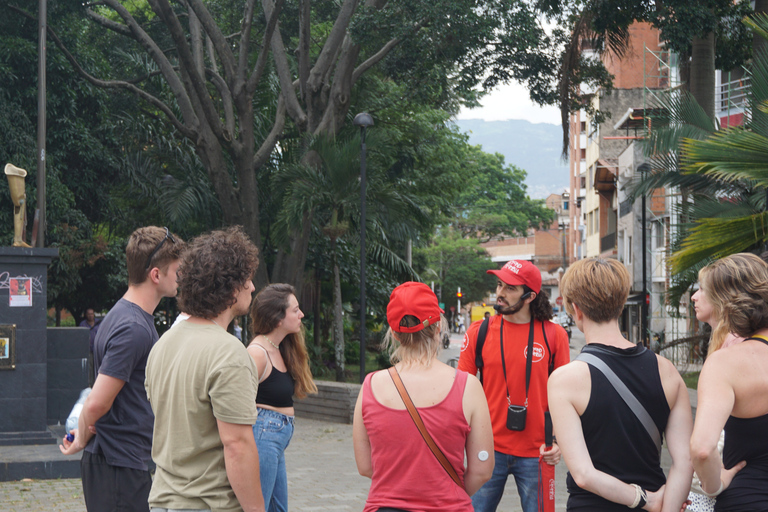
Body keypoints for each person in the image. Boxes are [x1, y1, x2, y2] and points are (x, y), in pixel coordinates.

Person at [548, 257, 693, 511]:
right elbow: (685, 461)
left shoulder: (565, 379)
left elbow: (583, 474)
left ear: (576, 309)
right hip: (660, 498)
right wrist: (665, 506)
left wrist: (644, 500)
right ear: (621, 303)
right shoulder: (667, 371)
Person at [60, 226, 184, 512]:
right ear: (156, 274)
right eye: (176, 270)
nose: (180, 277)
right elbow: (98, 401)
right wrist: (80, 437)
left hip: (120, 462)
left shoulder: (124, 316)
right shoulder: (133, 328)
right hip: (118, 464)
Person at [145, 226, 265, 512]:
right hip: (208, 504)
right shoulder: (229, 353)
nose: (252, 287)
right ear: (231, 287)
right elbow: (238, 446)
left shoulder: (164, 344)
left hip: (163, 500)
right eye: (247, 279)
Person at [353, 282, 494, 512]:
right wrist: (448, 492)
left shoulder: (371, 385)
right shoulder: (467, 386)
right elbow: (482, 469)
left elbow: (365, 466)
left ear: (395, 335)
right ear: (438, 327)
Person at [458, 259, 569, 512]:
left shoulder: (555, 336)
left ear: (529, 296)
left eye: (510, 288)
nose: (500, 293)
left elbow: (565, 399)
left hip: (538, 452)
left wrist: (559, 443)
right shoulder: (479, 332)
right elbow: (460, 391)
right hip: (486, 449)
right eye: (499, 285)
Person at [690, 253, 768, 511]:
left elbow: (703, 449)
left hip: (747, 499)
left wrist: (714, 486)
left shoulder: (726, 363)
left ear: (725, 303)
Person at [247, 283, 318, 512]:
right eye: (295, 310)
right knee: (260, 506)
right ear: (278, 318)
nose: (301, 315)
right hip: (263, 436)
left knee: (278, 508)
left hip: (276, 438)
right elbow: (240, 403)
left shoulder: (279, 347)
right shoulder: (257, 353)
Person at [686, 268, 743, 511]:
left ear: (722, 297)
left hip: (717, 483)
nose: (694, 297)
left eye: (702, 290)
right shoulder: (724, 340)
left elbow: (712, 439)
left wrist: (710, 484)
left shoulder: (733, 344)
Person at [79, 308, 100, 387]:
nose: (90, 316)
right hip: (88, 350)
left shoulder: (99, 323)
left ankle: (97, 385)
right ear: (86, 315)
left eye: (92, 314)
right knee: (89, 368)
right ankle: (89, 385)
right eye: (89, 314)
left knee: (98, 367)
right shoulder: (83, 324)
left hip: (97, 350)